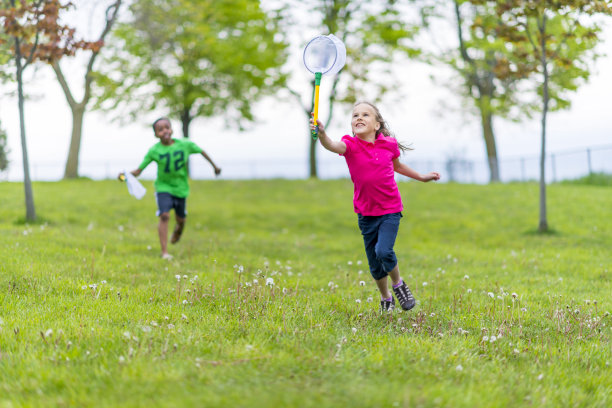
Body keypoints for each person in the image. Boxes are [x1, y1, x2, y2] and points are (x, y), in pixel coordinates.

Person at [310, 102, 440, 312]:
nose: (359, 118)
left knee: (384, 251)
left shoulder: (389, 144)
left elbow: (398, 166)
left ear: (377, 124)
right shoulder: (349, 145)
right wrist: (322, 133)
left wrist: (422, 177)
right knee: (374, 263)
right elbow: (331, 145)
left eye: (365, 115)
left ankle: (399, 285)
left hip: (390, 209)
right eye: (355, 116)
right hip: (366, 213)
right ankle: (386, 298)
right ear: (352, 126)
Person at [121, 117, 221, 260]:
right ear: (156, 134)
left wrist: (215, 166)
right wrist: (124, 176)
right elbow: (138, 171)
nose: (164, 131)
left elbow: (201, 151)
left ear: (172, 129)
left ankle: (178, 230)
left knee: (181, 220)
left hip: (181, 188)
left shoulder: (185, 144)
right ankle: (165, 252)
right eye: (160, 130)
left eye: (166, 127)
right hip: (163, 187)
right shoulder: (154, 151)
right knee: (164, 215)